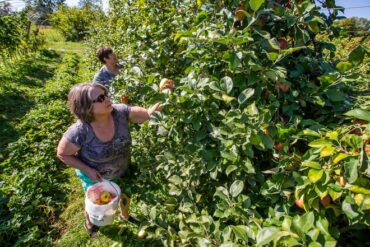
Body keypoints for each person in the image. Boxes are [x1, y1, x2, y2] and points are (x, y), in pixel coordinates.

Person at [56, 82, 161, 237]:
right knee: (98, 205)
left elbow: (146, 114)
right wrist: (88, 170)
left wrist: (163, 94)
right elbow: (62, 154)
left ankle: (125, 216)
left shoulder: (120, 113)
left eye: (105, 94)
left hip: (121, 168)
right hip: (96, 177)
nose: (107, 99)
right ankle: (91, 223)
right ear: (86, 107)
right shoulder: (79, 132)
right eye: (100, 98)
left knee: (125, 194)